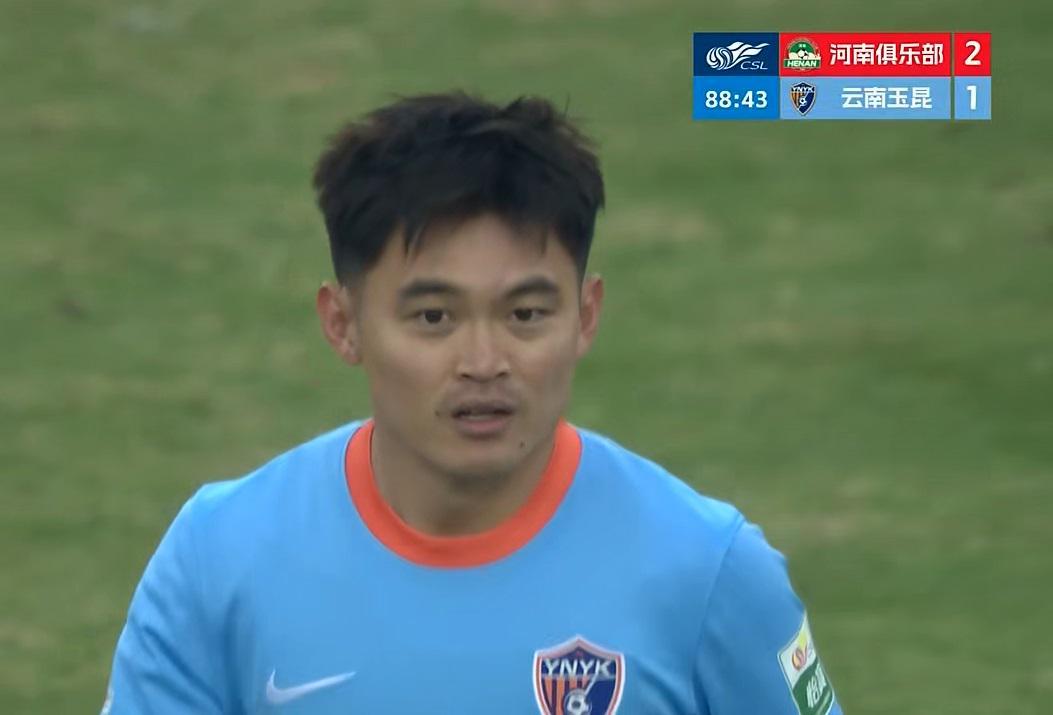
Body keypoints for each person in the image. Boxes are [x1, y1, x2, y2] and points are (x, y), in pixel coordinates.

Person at [103, 91, 842, 715]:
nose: (484, 362)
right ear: (343, 323)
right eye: (434, 317)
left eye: (526, 314)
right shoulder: (219, 559)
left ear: (585, 316)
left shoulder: (708, 572)